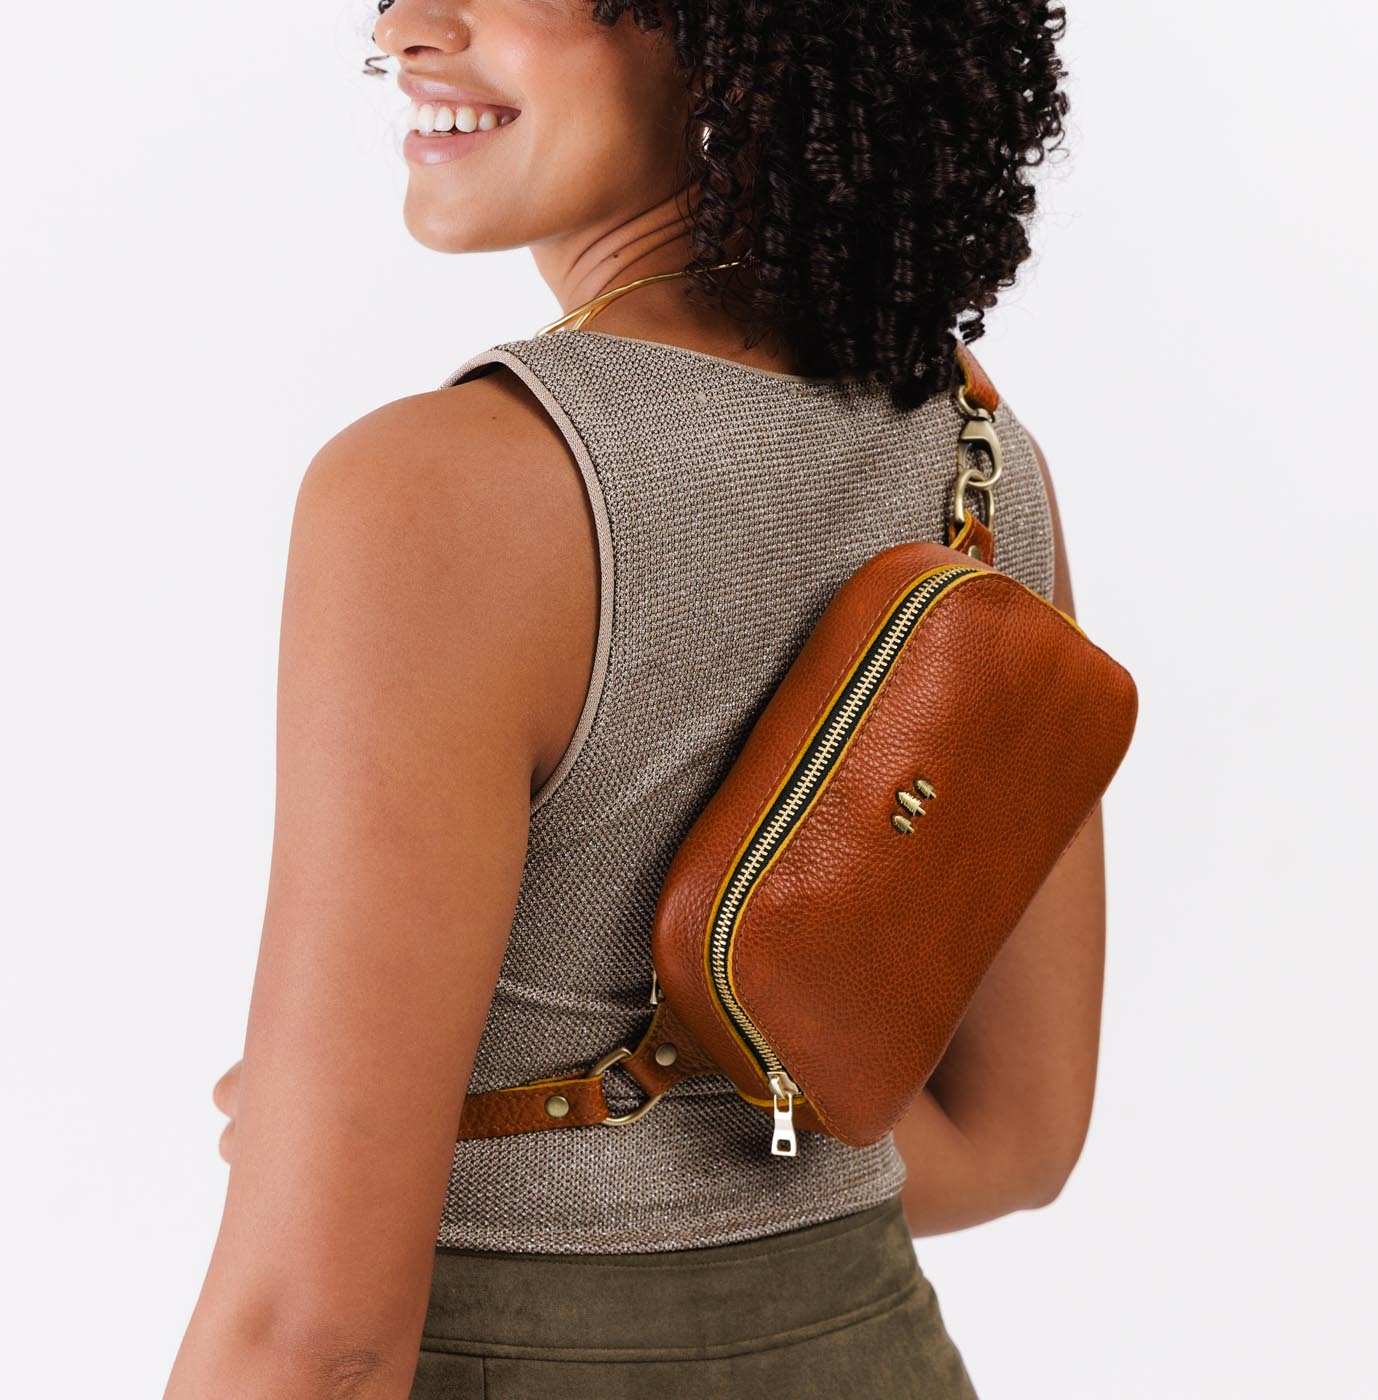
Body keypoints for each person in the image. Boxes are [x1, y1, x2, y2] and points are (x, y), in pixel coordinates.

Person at [164, 2, 1100, 1396]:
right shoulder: (980, 458)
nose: (406, 27)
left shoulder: (445, 491)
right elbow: (1015, 1143)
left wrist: (350, 1154)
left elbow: (316, 1333)